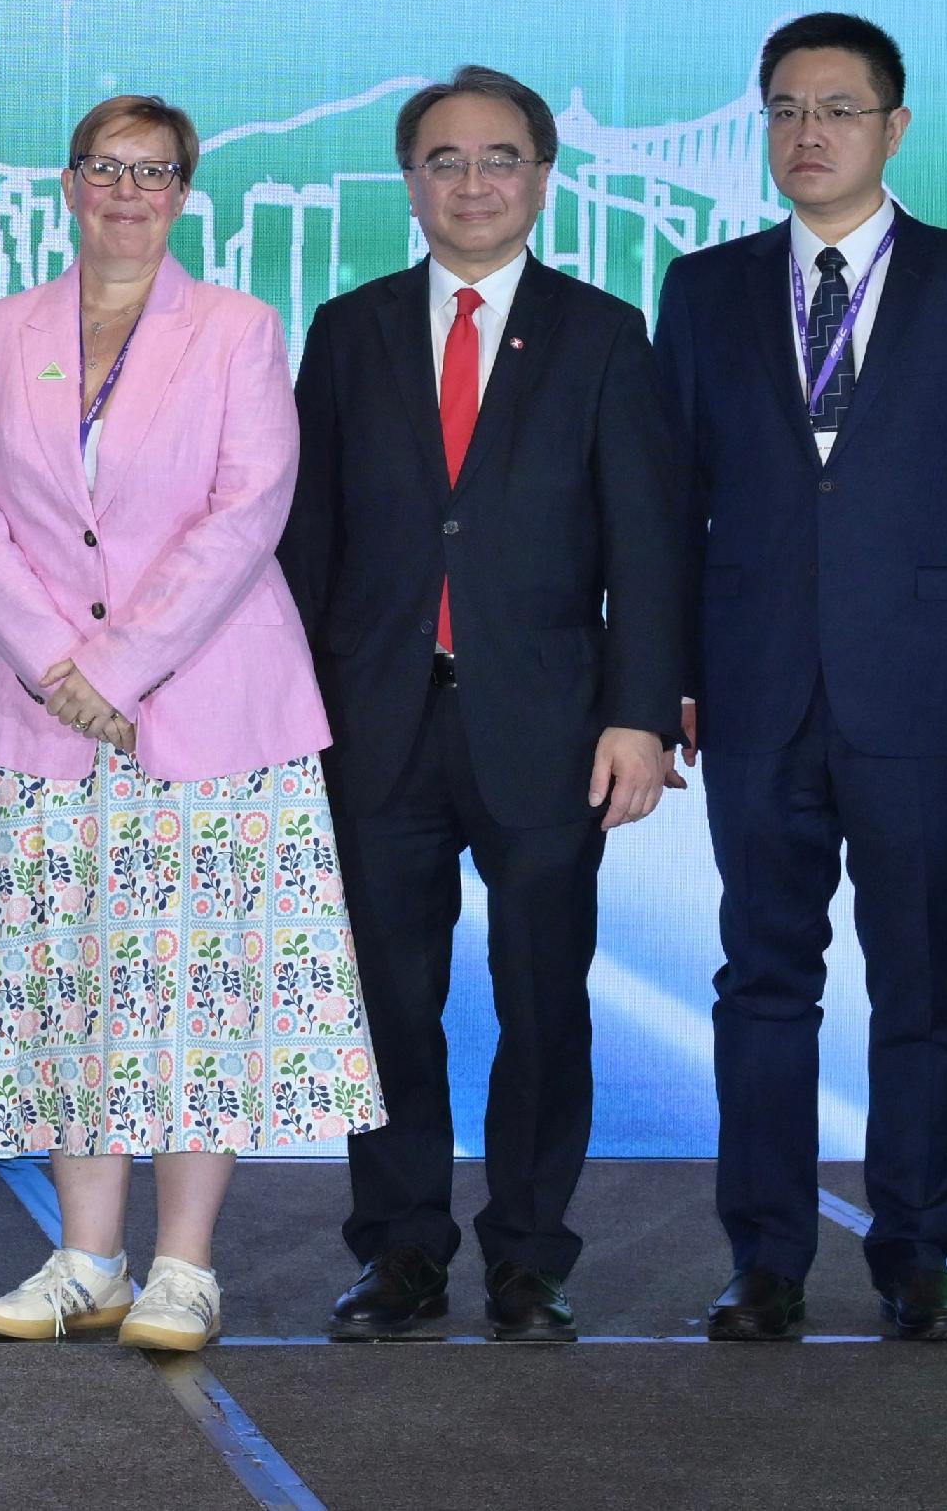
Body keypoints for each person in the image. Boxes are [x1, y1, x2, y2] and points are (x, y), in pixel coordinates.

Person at [0, 92, 382, 1353]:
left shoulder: (236, 329)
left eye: (153, 171)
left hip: (207, 711)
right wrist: (61, 664)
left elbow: (247, 509)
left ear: (184, 191)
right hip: (33, 711)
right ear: (67, 184)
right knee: (64, 980)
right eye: (104, 169)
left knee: (194, 987)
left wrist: (116, 667)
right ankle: (85, 1259)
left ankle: (183, 1267)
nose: (127, 191)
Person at [656, 13, 947, 1343]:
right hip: (756, 686)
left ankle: (915, 1257)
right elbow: (671, 507)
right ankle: (765, 1260)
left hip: (928, 690)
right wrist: (665, 677)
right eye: (782, 108)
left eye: (837, 108)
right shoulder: (705, 288)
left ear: (894, 127)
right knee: (762, 980)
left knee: (919, 980)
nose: (806, 133)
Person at [275, 67, 688, 1344]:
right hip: (376, 724)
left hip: (550, 728)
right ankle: (398, 1252)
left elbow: (649, 548)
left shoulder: (605, 333)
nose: (471, 182)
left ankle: (528, 1254)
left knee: (540, 997)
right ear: (410, 182)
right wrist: (290, 718)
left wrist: (640, 716)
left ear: (540, 176)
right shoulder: (346, 331)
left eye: (498, 157)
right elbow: (307, 544)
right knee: (386, 1000)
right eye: (444, 160)